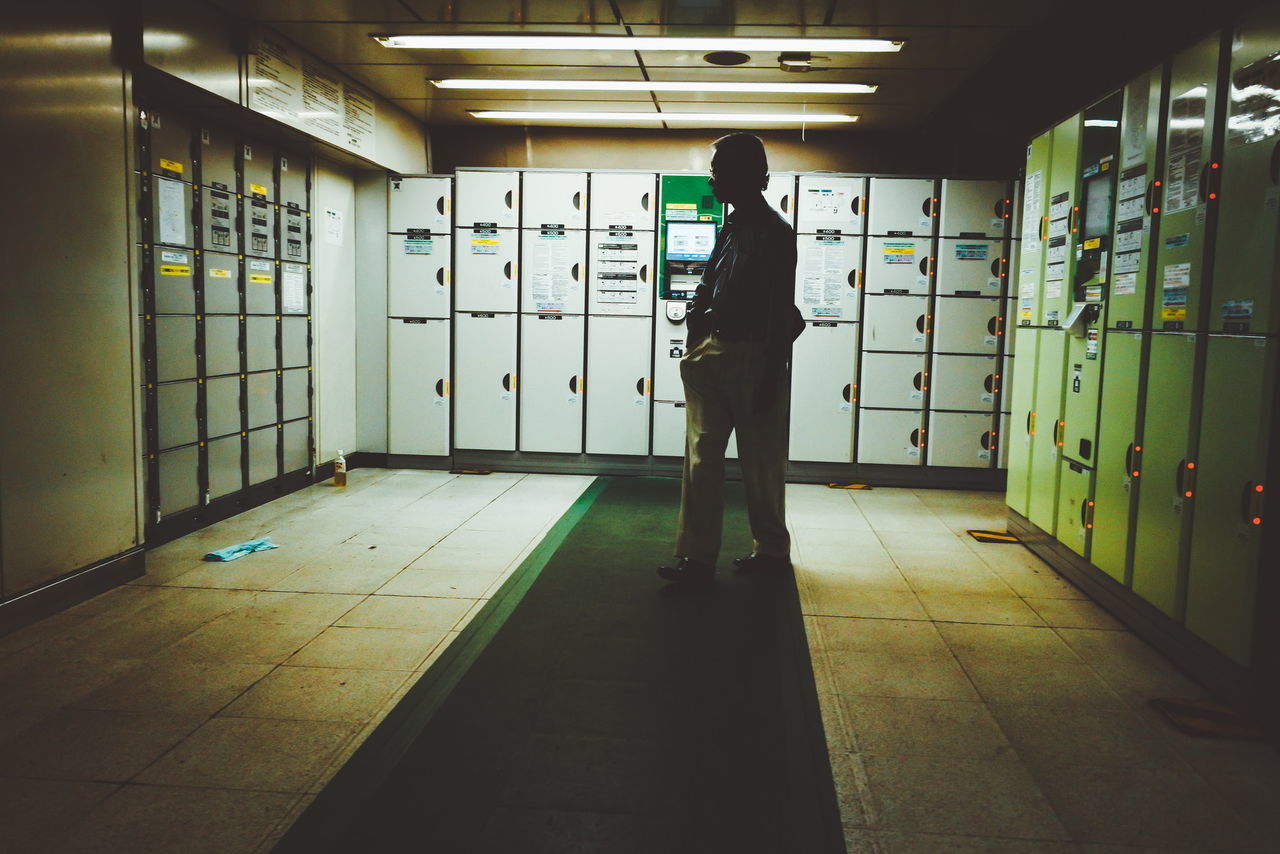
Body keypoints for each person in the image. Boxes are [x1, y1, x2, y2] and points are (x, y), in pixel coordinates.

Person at [658, 132, 804, 588]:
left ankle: (771, 550)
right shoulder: (732, 225)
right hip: (714, 355)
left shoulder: (775, 231)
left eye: (719, 169)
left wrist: (772, 371)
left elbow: (782, 309)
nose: (712, 176)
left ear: (748, 175)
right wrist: (695, 330)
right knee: (702, 459)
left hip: (755, 356)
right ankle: (696, 558)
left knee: (761, 462)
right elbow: (707, 283)